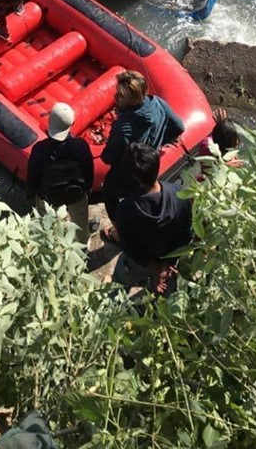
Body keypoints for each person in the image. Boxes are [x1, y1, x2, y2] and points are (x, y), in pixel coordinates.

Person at [101, 70, 184, 234]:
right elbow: (179, 127)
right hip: (149, 163)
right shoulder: (159, 103)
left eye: (121, 95)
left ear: (132, 99)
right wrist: (161, 142)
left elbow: (108, 157)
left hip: (128, 174)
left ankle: (118, 233)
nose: (116, 97)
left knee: (109, 195)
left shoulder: (124, 127)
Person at [113, 143, 193, 295]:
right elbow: (186, 232)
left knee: (119, 285)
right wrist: (166, 264)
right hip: (168, 257)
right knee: (157, 291)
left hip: (140, 263)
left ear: (134, 176)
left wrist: (155, 266)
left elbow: (128, 246)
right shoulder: (180, 194)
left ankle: (109, 309)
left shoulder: (126, 209)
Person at [26, 103, 94, 245]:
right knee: (80, 224)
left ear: (49, 122)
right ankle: (82, 246)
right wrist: (87, 189)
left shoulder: (39, 149)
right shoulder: (81, 146)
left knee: (45, 221)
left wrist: (31, 195)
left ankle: (49, 242)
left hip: (49, 196)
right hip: (77, 195)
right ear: (72, 124)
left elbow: (32, 176)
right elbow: (89, 170)